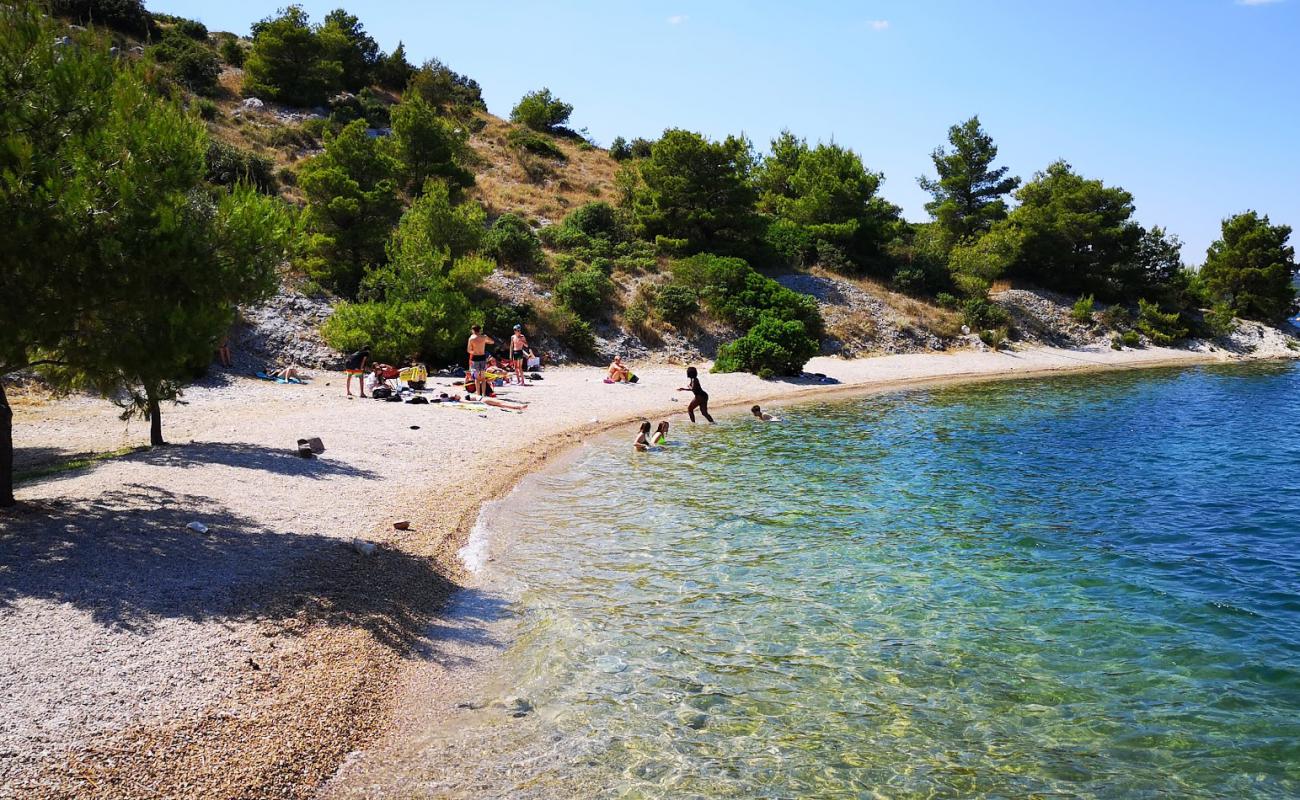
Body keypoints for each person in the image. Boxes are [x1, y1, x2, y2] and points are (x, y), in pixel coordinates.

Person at [467, 325, 495, 397]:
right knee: (483, 378)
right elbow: (492, 342)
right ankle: (483, 394)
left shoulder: (471, 338)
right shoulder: (484, 337)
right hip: (482, 357)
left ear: (473, 330)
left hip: (475, 357)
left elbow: (469, 350)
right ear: (479, 330)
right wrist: (485, 341)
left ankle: (478, 394)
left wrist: (475, 351)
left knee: (477, 378)